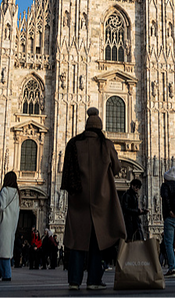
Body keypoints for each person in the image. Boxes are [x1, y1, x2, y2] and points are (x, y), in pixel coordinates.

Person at [61, 107, 126, 291]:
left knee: (77, 240)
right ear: (100, 127)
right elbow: (116, 168)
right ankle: (94, 280)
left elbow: (67, 170)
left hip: (78, 198)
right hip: (100, 197)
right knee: (99, 240)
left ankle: (74, 281)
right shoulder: (106, 144)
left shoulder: (74, 144)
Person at [0, 172, 20, 281]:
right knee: (0, 250)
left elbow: (0, 207)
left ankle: (7, 274)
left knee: (2, 250)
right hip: (11, 225)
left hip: (3, 223)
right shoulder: (17, 193)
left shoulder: (5, 190)